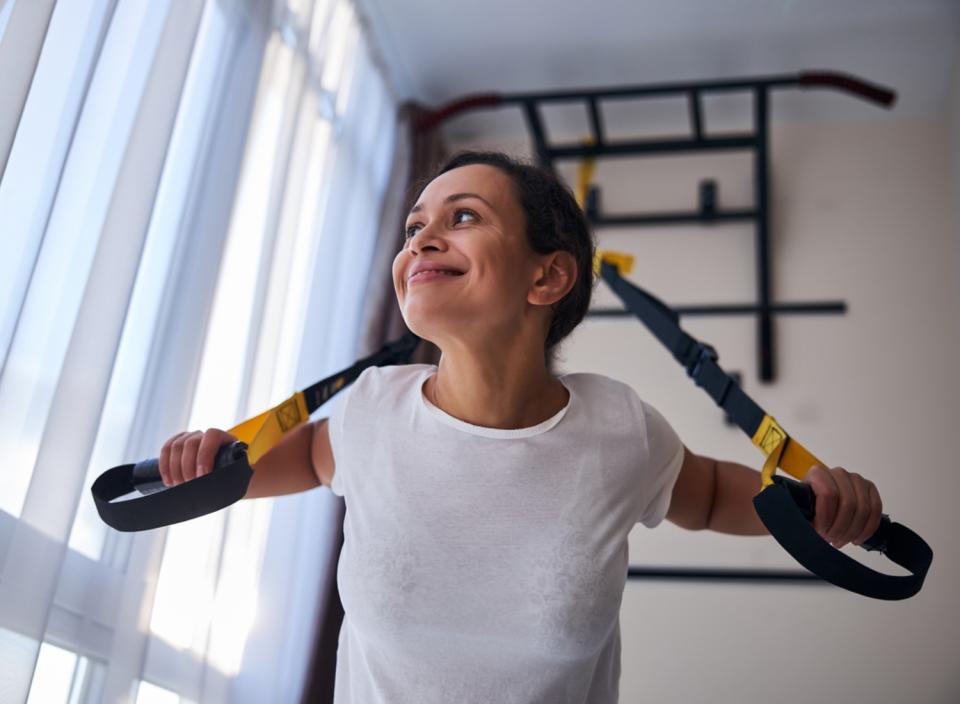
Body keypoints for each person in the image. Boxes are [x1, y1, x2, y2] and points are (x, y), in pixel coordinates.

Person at [158, 151, 884, 703]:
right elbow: (311, 458)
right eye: (415, 227)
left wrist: (816, 507)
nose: (422, 240)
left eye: (462, 217)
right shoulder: (371, 407)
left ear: (548, 278)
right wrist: (215, 468)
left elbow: (713, 498)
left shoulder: (619, 430)